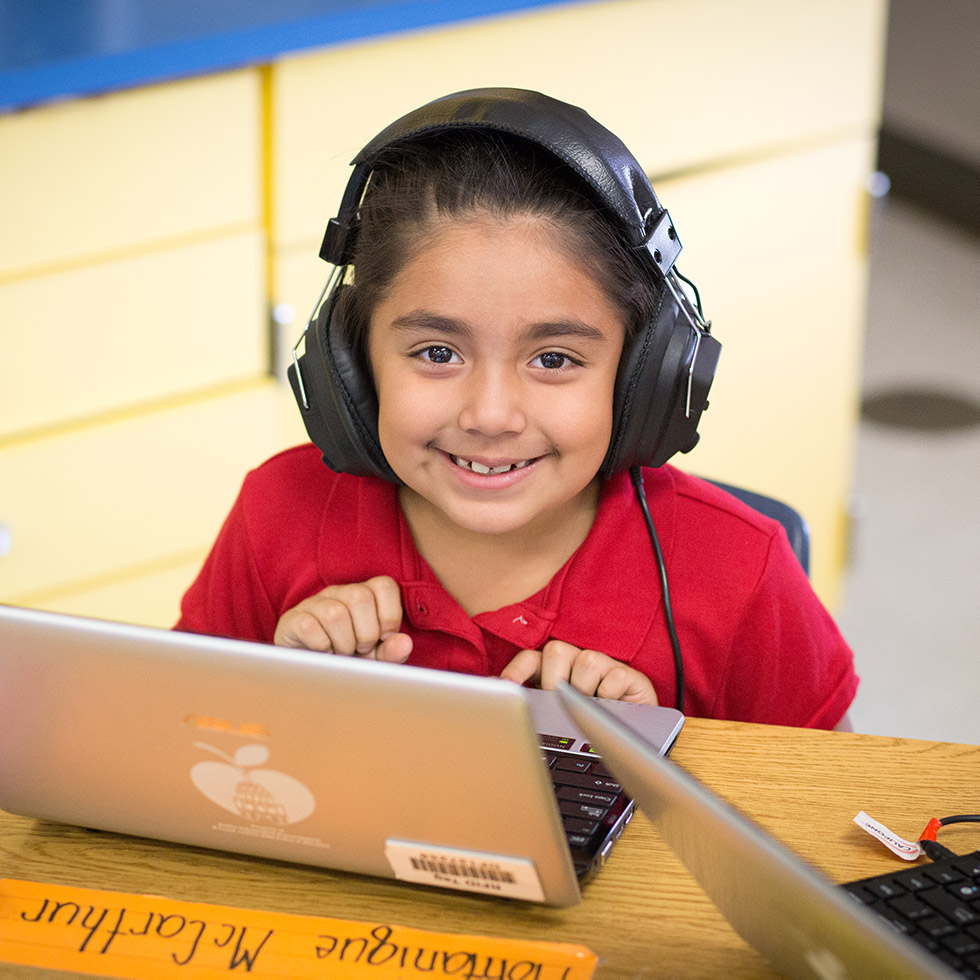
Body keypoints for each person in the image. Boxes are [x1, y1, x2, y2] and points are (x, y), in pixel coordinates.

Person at [176, 88, 857, 730]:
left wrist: (665, 759)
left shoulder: (738, 572)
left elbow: (831, 818)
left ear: (642, 376)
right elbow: (170, 747)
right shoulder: (279, 514)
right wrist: (272, 686)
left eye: (554, 359)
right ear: (350, 361)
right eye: (438, 353)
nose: (491, 416)